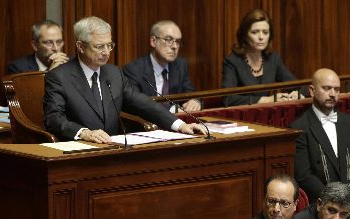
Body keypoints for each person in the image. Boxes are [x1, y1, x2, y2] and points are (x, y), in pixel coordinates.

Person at [43, 16, 205, 143]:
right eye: (99, 46)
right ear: (80, 46)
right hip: (78, 151)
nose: (106, 52)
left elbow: (144, 104)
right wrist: (83, 133)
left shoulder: (114, 73)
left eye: (109, 45)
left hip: (113, 150)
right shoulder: (59, 77)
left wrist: (180, 125)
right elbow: (54, 119)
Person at [291, 68, 350, 203]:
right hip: (321, 205)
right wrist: (333, 201)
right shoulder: (299, 127)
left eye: (336, 90)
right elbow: (303, 175)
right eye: (327, 88)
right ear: (312, 90)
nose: (332, 94)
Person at [221, 9, 302, 106]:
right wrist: (268, 99)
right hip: (241, 115)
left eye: (265, 32)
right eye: (255, 32)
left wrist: (298, 93)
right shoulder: (232, 61)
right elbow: (227, 98)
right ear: (245, 35)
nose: (261, 37)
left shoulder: (272, 58)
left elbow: (299, 85)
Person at [123, 20, 201, 112]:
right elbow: (136, 104)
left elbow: (190, 93)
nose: (175, 46)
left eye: (178, 41)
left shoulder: (180, 65)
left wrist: (195, 101)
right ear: (153, 41)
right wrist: (172, 109)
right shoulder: (134, 70)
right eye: (168, 40)